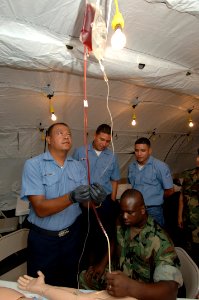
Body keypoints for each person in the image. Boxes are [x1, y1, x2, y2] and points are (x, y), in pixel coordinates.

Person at [20, 122, 106, 288]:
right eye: (60, 133)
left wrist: (96, 199)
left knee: (69, 285)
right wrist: (71, 197)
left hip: (71, 238)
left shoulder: (78, 167)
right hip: (44, 241)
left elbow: (86, 204)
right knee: (39, 287)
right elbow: (40, 209)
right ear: (49, 139)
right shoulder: (33, 165)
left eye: (69, 134)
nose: (66, 136)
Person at [80, 189, 183, 300]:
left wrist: (129, 288)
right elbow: (115, 240)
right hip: (118, 275)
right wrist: (102, 264)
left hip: (142, 290)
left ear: (142, 210)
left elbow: (170, 291)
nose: (124, 216)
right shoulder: (122, 221)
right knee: (84, 278)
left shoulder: (160, 241)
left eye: (129, 212)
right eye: (122, 211)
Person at [73, 124, 120, 267]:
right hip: (83, 200)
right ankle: (83, 265)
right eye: (101, 139)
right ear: (95, 136)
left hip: (103, 201)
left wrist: (111, 201)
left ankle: (100, 266)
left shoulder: (112, 156)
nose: (104, 144)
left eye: (107, 141)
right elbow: (71, 174)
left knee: (102, 235)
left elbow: (115, 179)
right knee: (84, 233)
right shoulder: (80, 152)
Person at [128, 137, 174, 227]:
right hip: (136, 209)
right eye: (136, 150)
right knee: (137, 237)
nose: (139, 154)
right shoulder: (131, 167)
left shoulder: (160, 166)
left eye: (143, 150)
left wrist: (156, 198)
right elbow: (132, 186)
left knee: (156, 237)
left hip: (153, 210)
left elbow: (170, 190)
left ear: (149, 151)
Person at [180, 150, 199, 265]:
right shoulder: (188, 175)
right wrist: (179, 216)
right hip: (188, 219)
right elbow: (182, 196)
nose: (198, 160)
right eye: (198, 156)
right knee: (190, 250)